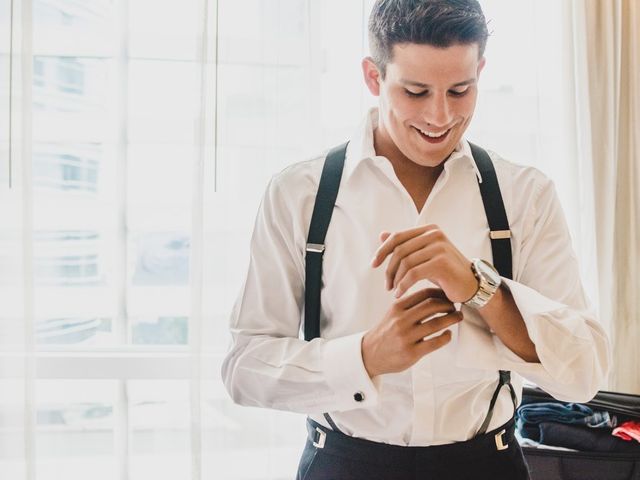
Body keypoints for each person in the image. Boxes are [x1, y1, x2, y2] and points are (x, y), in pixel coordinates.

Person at [221, 1, 611, 478]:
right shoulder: (298, 195)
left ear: (480, 72)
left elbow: (584, 372)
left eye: (460, 90)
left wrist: (477, 286)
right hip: (343, 465)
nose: (440, 115)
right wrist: (365, 357)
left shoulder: (525, 195)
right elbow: (245, 369)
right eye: (415, 91)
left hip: (484, 466)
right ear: (373, 77)